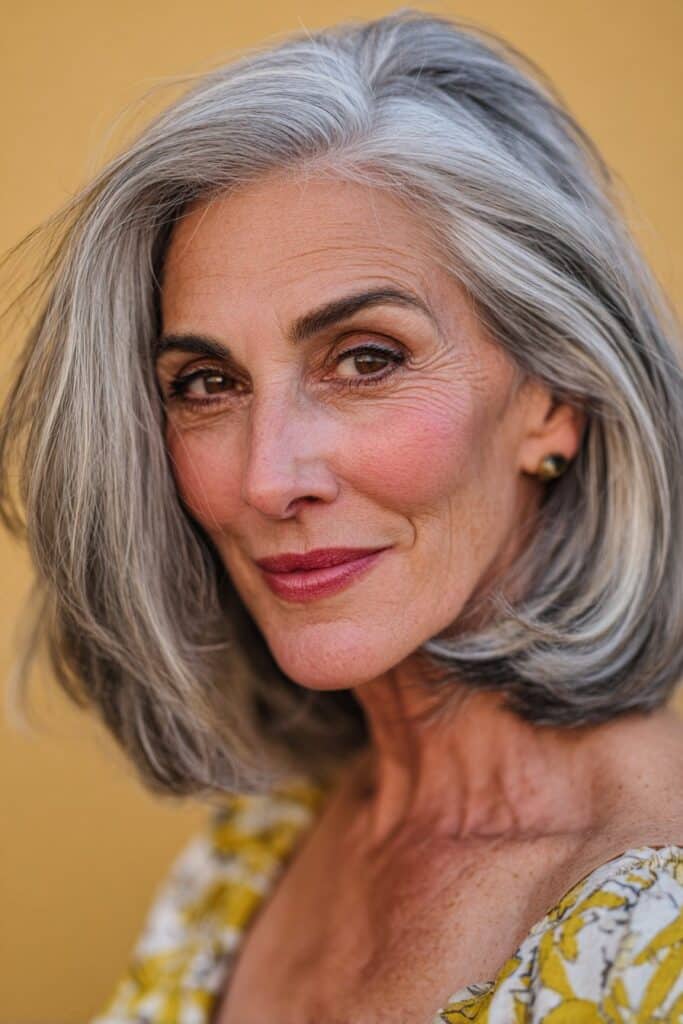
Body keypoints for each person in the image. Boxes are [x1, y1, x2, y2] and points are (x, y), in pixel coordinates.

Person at [2, 9, 683, 1023]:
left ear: (555, 400)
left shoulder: (656, 928)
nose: (267, 478)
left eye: (366, 358)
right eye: (205, 382)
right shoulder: (253, 850)